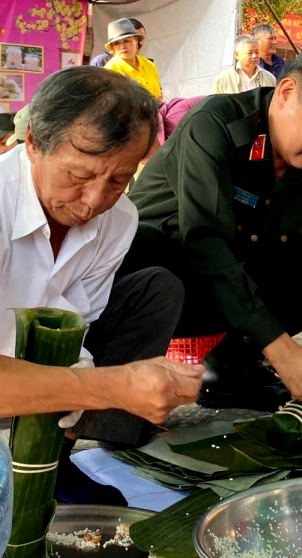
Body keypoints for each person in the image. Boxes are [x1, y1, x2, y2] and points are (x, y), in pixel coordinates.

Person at [127, 36, 302, 439]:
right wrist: (283, 349)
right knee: (145, 245)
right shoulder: (215, 124)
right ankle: (122, 388)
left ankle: (232, 369)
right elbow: (204, 241)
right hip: (164, 286)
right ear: (286, 93)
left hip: (234, 288)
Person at [0, 66, 203, 510]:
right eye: (79, 175)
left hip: (31, 396)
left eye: (117, 180)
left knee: (104, 509)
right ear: (33, 143)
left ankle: (56, 450)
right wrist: (112, 387)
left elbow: (78, 325)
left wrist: (87, 392)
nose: (94, 201)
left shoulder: (119, 219)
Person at [104, 18, 162, 100]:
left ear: (136, 41)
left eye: (126, 41)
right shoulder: (110, 71)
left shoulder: (150, 65)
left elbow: (159, 96)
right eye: (116, 43)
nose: (122, 47)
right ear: (112, 48)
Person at [212, 35, 276, 94]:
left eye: (257, 52)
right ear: (237, 55)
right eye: (249, 53)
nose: (254, 56)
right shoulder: (223, 79)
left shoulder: (269, 78)